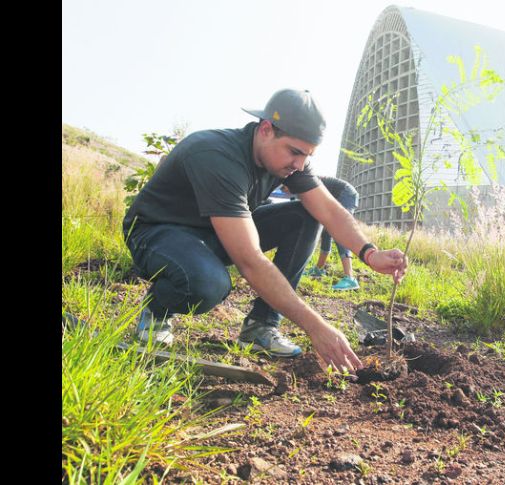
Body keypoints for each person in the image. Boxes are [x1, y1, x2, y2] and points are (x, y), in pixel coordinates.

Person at [122, 88, 407, 372]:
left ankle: (261, 326)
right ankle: (157, 311)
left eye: (307, 156)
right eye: (295, 152)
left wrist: (370, 254)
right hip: (158, 233)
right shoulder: (217, 155)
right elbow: (250, 259)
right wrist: (315, 326)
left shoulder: (290, 164)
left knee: (306, 217)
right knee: (208, 284)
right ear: (266, 129)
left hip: (211, 235)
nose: (300, 164)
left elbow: (329, 210)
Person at [297, 176, 360, 290]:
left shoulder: (302, 183)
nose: (283, 190)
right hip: (339, 195)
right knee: (326, 230)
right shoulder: (299, 188)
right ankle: (318, 269)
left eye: (283, 187)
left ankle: (350, 278)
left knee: (339, 230)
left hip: (345, 193)